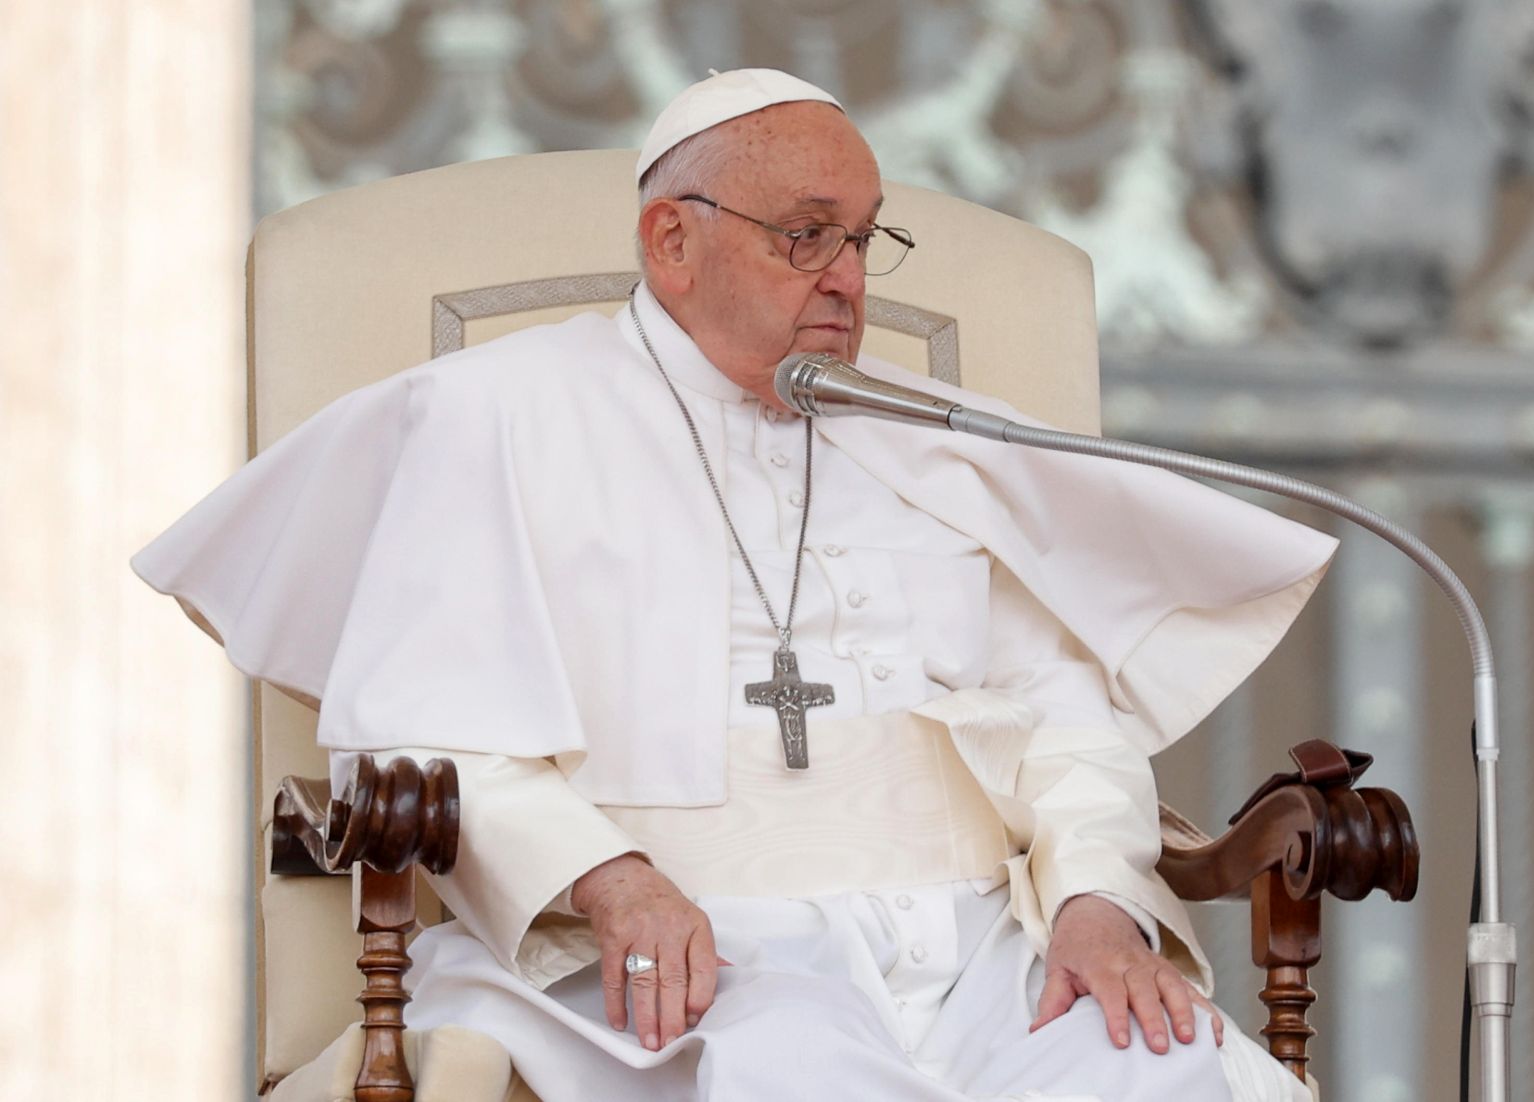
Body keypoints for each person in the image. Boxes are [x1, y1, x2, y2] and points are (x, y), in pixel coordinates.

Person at [133, 69, 1333, 1101]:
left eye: (863, 239)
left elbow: (1069, 721)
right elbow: (419, 736)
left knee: (1155, 1064)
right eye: (805, 234)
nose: (848, 279)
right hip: (679, 961)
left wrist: (1093, 898)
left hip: (981, 950)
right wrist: (607, 880)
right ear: (673, 241)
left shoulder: (947, 441)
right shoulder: (490, 419)